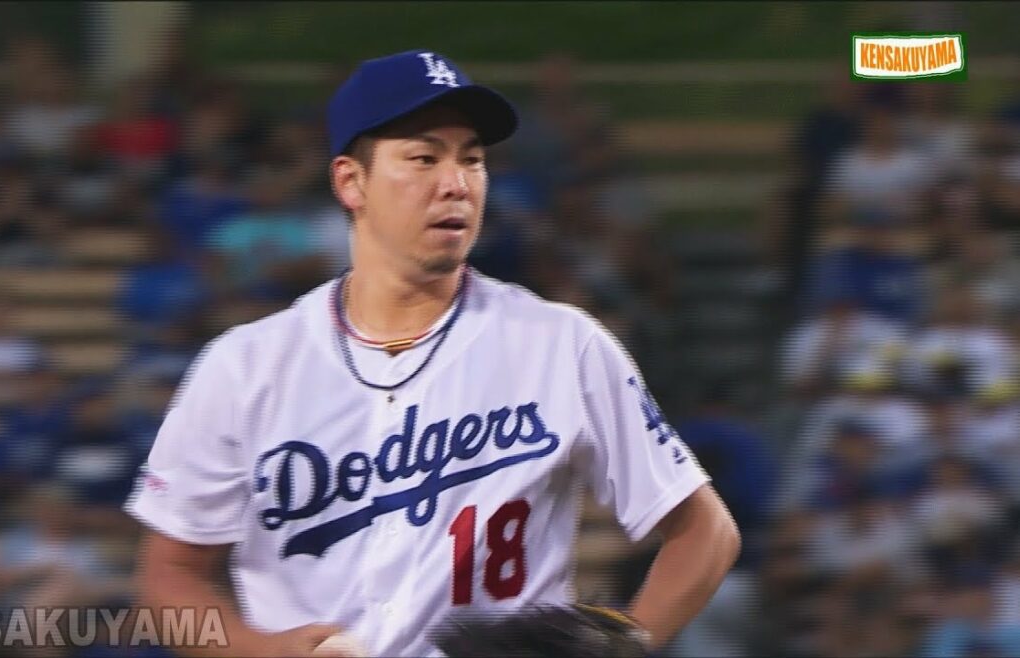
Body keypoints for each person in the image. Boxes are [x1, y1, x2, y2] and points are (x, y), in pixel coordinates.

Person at [127, 50, 740, 658]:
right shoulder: (243, 367)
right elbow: (168, 578)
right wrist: (258, 651)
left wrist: (626, 644)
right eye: (423, 158)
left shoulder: (561, 345)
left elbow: (705, 532)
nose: (456, 183)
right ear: (351, 181)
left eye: (471, 159)